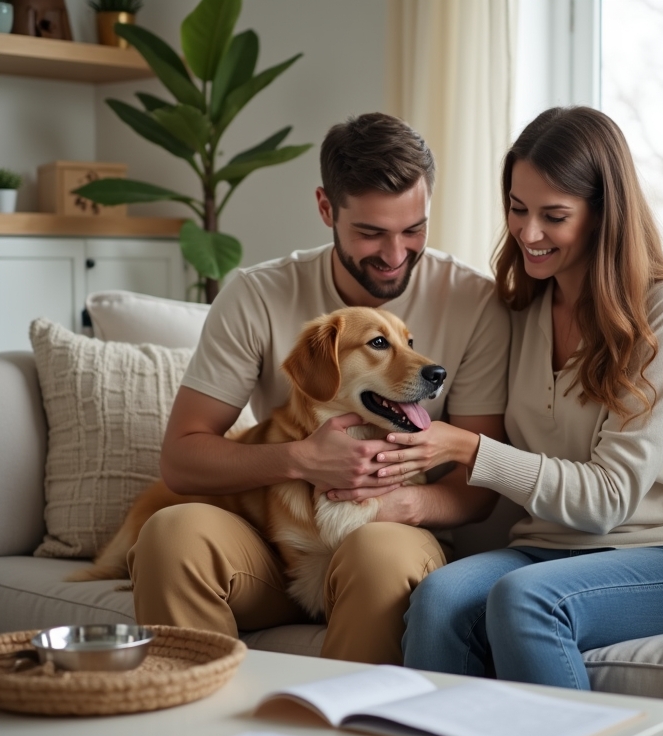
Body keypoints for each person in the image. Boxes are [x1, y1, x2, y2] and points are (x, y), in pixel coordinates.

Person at [127, 112, 510, 666]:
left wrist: (402, 505)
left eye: (414, 229)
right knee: (171, 532)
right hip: (275, 551)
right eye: (371, 232)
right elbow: (183, 460)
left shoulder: (474, 302)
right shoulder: (257, 295)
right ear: (326, 209)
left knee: (376, 552)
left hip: (394, 537)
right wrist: (304, 460)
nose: (396, 253)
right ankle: (199, 735)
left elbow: (481, 481)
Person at [381, 106, 663, 689]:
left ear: (603, 216)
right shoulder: (520, 310)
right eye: (517, 209)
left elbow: (608, 500)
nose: (528, 233)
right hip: (545, 549)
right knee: (440, 597)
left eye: (554, 216)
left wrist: (473, 451)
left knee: (526, 601)